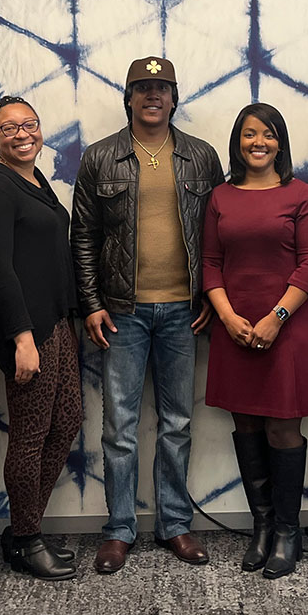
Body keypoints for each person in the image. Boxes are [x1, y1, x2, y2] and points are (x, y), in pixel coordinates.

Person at [71, 56, 225, 574]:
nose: (152, 95)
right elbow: (83, 240)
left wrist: (211, 295)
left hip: (185, 310)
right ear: (129, 97)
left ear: (175, 97)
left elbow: (217, 236)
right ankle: (118, 530)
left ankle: (175, 524)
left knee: (178, 421)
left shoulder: (201, 158)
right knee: (120, 424)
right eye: (142, 88)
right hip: (122, 312)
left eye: (162, 88)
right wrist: (91, 303)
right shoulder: (100, 157)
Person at [203, 103, 308, 579]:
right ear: (237, 141)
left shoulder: (302, 195)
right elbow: (210, 262)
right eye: (249, 134)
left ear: (281, 142)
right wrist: (228, 316)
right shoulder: (220, 196)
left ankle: (287, 531)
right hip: (233, 327)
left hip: (288, 327)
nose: (259, 142)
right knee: (248, 427)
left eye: (269, 134)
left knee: (282, 429)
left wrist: (276, 317)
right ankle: (261, 526)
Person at [0, 96, 82, 581]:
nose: (22, 134)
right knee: (31, 435)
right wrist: (21, 337)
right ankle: (25, 539)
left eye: (30, 124)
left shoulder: (37, 181)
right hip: (26, 330)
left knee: (66, 422)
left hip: (55, 323)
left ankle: (24, 527)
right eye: (8, 128)